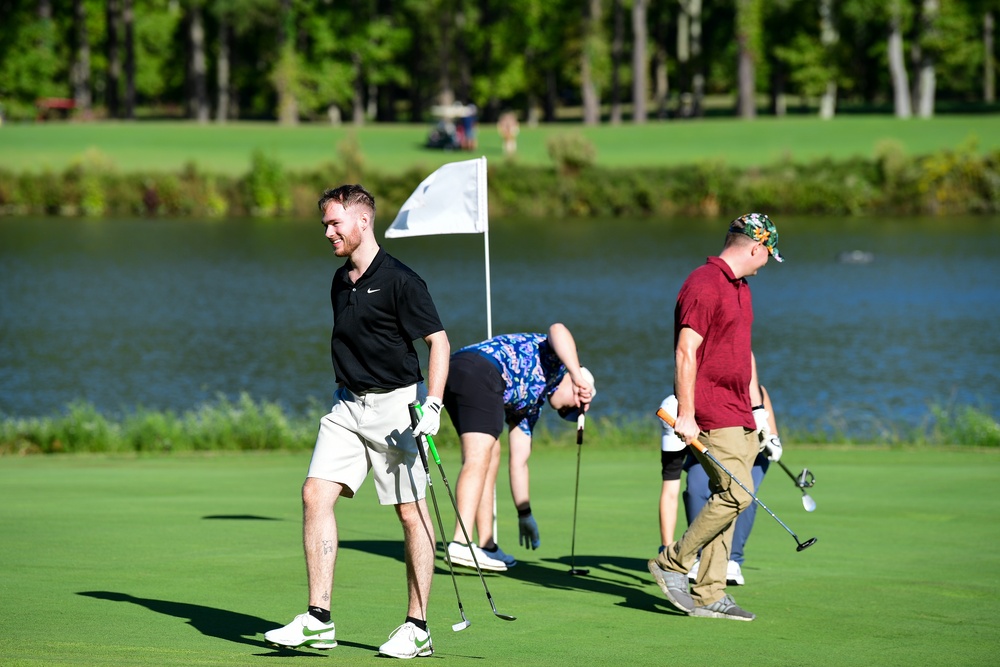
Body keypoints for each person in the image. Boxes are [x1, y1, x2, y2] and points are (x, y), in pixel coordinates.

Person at [265, 184, 451, 659]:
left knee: (411, 514)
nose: (327, 232)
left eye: (334, 223)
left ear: (363, 221)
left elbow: (439, 343)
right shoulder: (339, 280)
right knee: (314, 494)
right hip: (347, 407)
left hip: (397, 410)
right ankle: (318, 619)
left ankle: (418, 626)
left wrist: (433, 404)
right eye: (325, 224)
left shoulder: (402, 281)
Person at [647, 212, 783, 622]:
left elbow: (742, 353)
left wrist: (758, 410)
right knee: (738, 493)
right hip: (709, 409)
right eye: (767, 255)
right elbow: (685, 351)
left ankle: (710, 593)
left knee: (730, 498)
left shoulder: (740, 288)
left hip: (739, 410)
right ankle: (672, 563)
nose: (766, 264)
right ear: (756, 247)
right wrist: (687, 413)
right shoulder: (704, 284)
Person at [441, 324, 596, 572]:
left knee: (491, 454)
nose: (568, 410)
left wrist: (525, 514)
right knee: (479, 456)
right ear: (577, 386)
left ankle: (487, 545)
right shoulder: (558, 363)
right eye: (574, 405)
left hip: (460, 372)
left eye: (569, 413)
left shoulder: (531, 406)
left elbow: (519, 463)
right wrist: (577, 374)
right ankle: (460, 542)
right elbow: (557, 329)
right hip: (481, 369)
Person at [658, 384, 784, 586]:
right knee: (696, 489)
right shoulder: (670, 422)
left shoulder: (712, 396)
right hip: (705, 448)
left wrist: (773, 436)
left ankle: (732, 560)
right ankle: (698, 557)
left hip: (748, 442)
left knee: (742, 494)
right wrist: (665, 546)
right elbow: (669, 492)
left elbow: (757, 388)